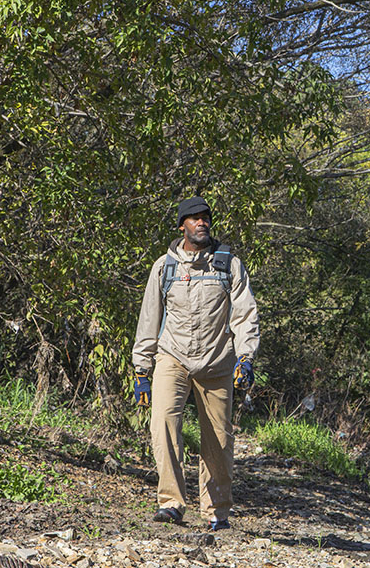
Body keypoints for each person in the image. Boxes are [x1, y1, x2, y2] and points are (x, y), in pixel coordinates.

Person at [132, 196, 259, 531]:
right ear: (181, 226)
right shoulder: (165, 266)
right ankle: (171, 504)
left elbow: (246, 314)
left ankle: (216, 511)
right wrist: (141, 370)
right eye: (194, 218)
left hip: (217, 360)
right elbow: (149, 319)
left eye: (205, 217)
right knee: (163, 424)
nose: (201, 223)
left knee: (218, 440)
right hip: (172, 356)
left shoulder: (229, 264)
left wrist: (246, 357)